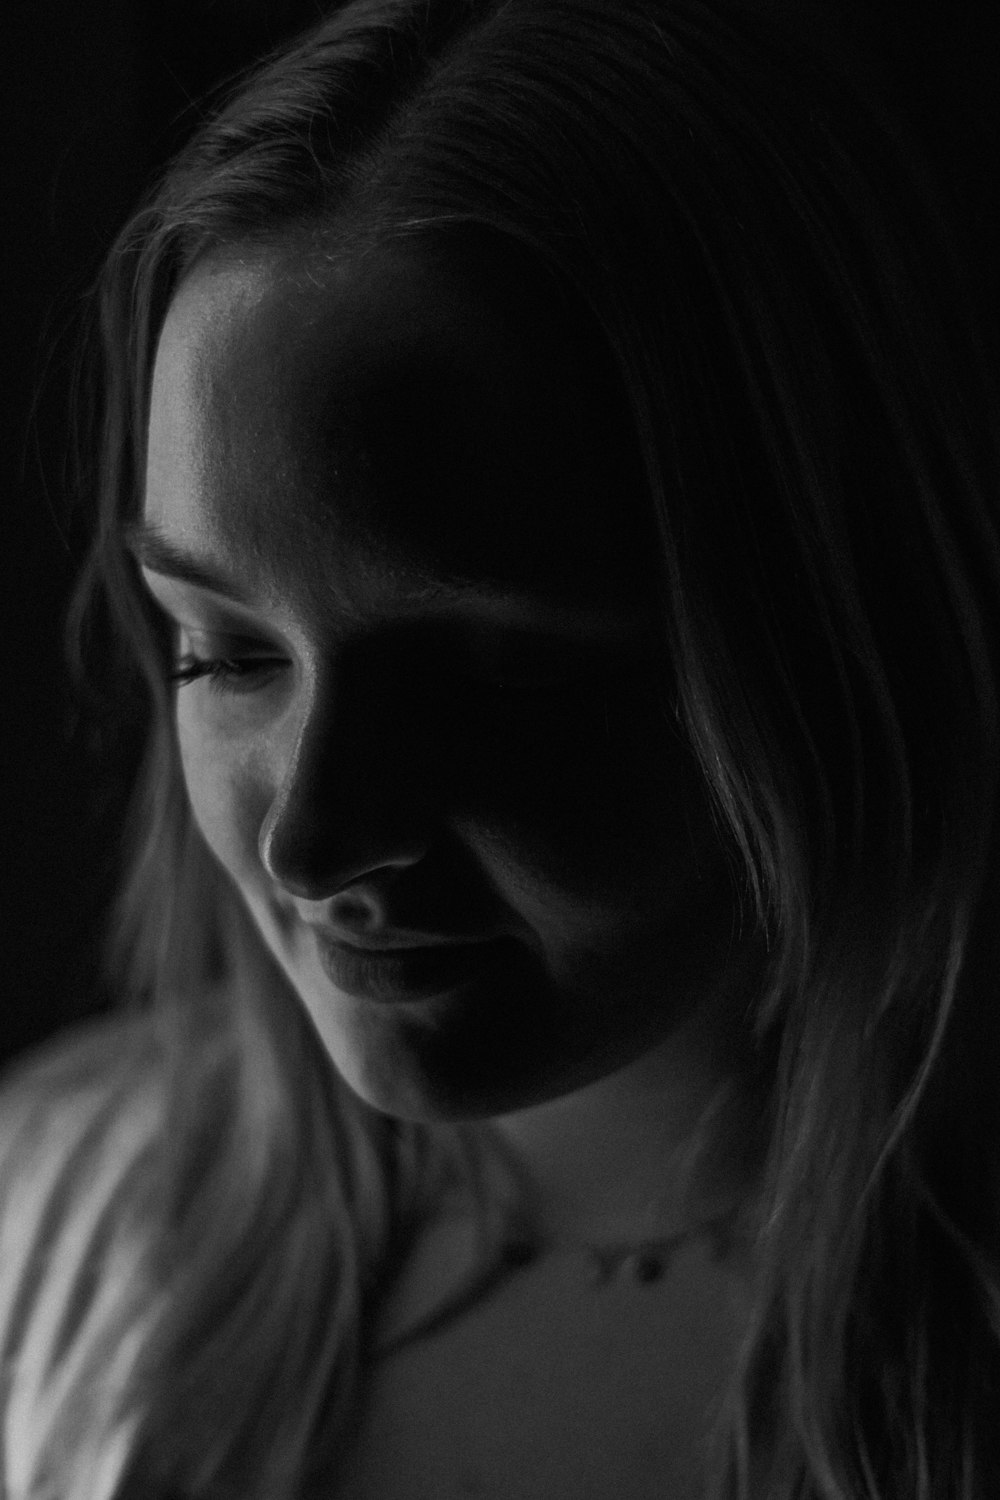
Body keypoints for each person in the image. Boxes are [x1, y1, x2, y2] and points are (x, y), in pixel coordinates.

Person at [2, 0, 999, 1495]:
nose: (312, 841)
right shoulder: (54, 1209)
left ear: (844, 624)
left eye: (482, 676)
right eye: (228, 652)